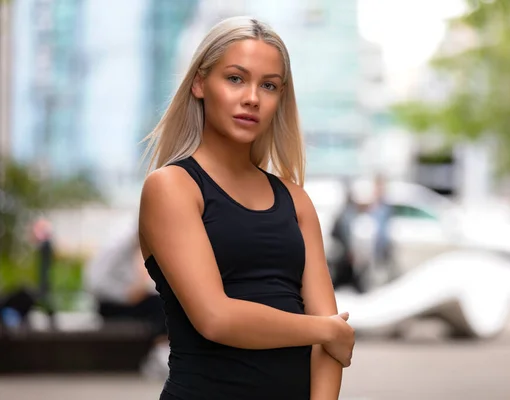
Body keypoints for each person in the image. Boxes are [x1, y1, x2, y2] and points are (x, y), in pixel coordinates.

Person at [138, 16, 355, 400]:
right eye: (236, 78)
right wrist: (323, 329)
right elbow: (215, 318)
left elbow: (329, 348)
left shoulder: (296, 202)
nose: (252, 97)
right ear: (200, 83)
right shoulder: (171, 187)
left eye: (268, 85)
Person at [84, 225, 169, 379]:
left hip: (120, 301)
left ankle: (161, 351)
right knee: (159, 305)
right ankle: (160, 354)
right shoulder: (116, 248)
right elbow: (95, 283)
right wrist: (125, 295)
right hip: (110, 304)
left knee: (161, 302)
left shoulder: (129, 250)